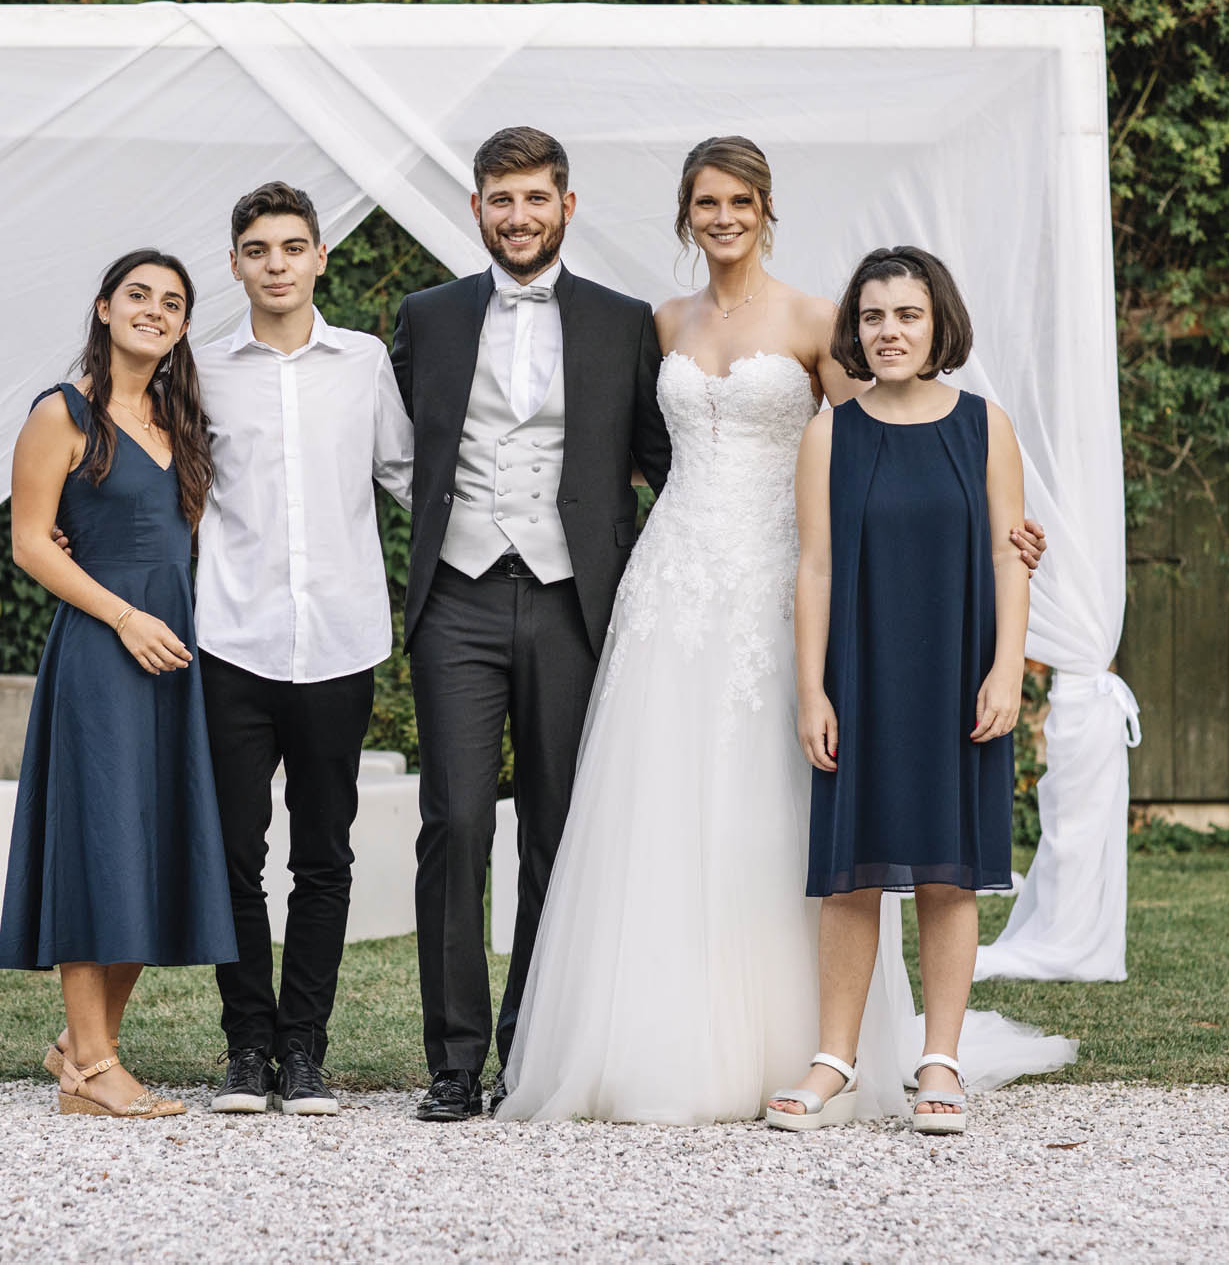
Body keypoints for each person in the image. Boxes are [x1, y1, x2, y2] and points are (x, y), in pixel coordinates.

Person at [500, 139, 1065, 1127]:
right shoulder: (659, 323)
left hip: (784, 581)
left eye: (740, 200)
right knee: (660, 806)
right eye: (705, 202)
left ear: (766, 210)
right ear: (685, 215)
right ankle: (657, 1037)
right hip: (673, 578)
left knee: (788, 817)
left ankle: (856, 1045)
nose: (722, 216)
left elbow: (884, 451)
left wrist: (1001, 535)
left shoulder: (819, 321)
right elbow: (626, 446)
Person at [391, 127, 672, 1121]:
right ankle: (452, 1061)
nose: (517, 216)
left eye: (534, 199)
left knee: (557, 831)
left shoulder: (621, 320)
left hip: (570, 602)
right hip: (456, 598)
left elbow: (662, 461)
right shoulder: (423, 317)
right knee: (455, 822)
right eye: (498, 199)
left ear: (566, 204)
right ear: (475, 208)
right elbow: (391, 451)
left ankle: (533, 1047)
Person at [769, 246, 1032, 1137]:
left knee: (948, 869)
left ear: (937, 324)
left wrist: (1008, 666)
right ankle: (835, 1058)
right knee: (851, 872)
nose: (889, 332)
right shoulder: (829, 433)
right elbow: (812, 567)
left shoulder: (985, 426)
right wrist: (812, 688)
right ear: (856, 329)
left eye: (907, 315)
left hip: (960, 669)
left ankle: (940, 1061)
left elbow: (1008, 554)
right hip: (860, 667)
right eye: (874, 317)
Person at [0, 249, 236, 1120]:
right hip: (101, 656)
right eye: (139, 295)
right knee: (100, 851)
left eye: (173, 302)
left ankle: (83, 1048)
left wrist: (164, 624)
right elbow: (29, 544)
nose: (156, 310)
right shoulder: (60, 414)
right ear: (103, 308)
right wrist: (124, 618)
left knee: (154, 850)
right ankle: (93, 1074)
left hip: (175, 657)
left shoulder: (182, 421)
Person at [191, 182, 414, 1117]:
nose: (276, 263)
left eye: (293, 246)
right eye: (257, 248)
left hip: (337, 641)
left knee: (324, 856)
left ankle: (306, 1048)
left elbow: (408, 474)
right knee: (234, 856)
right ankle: (247, 1046)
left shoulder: (363, 363)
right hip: (232, 640)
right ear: (235, 262)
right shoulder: (200, 370)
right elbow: (176, 492)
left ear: (322, 257)